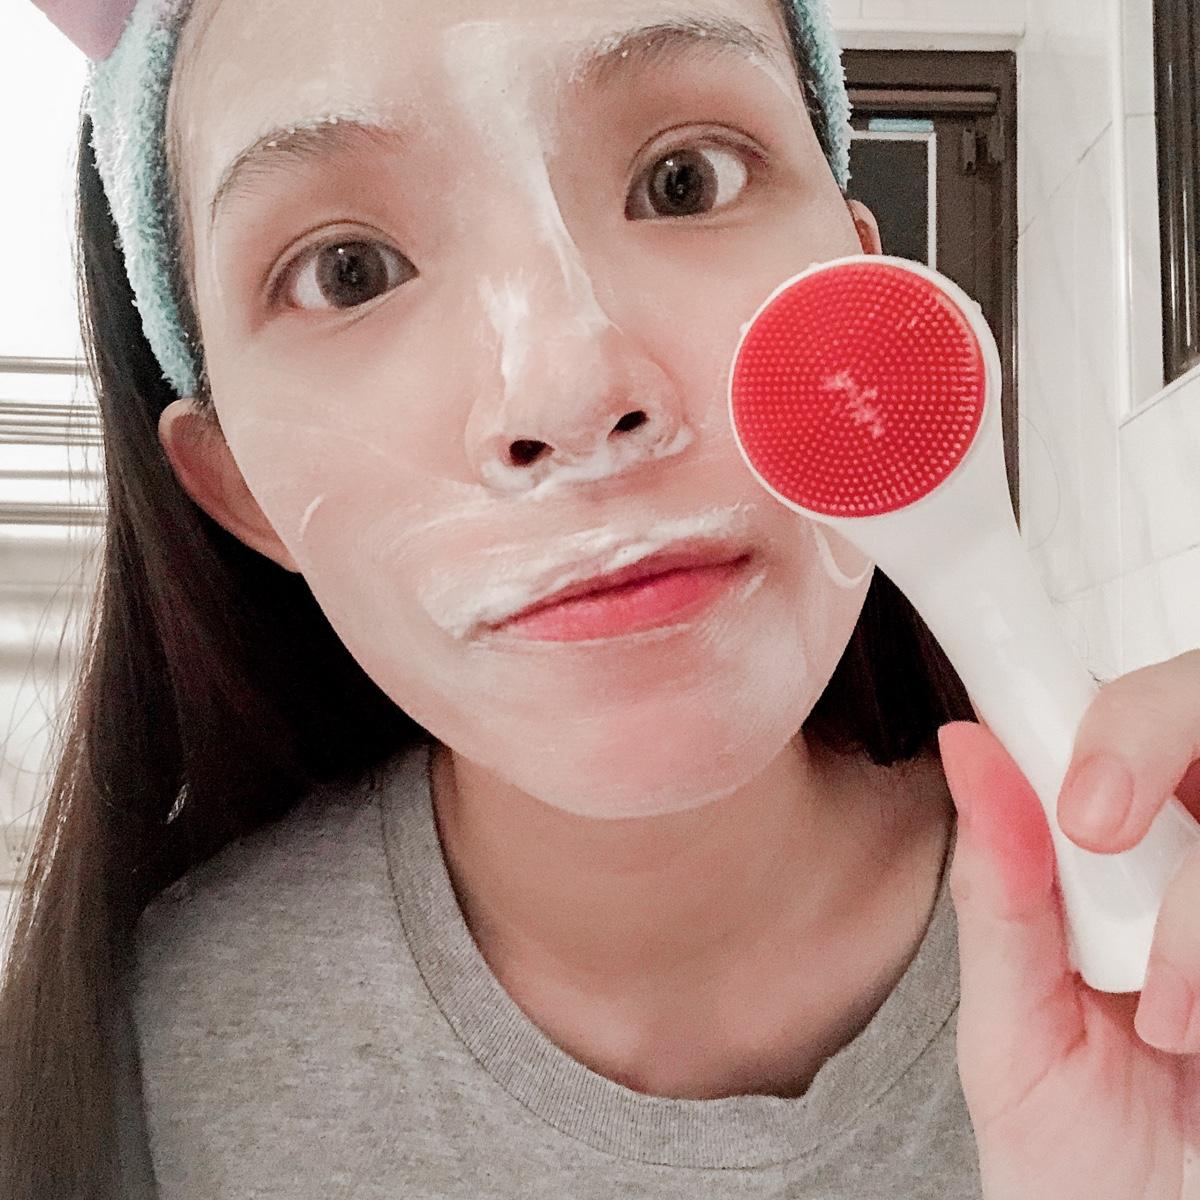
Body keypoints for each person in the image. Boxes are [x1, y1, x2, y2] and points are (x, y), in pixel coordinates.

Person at [12, 0, 1200, 1196]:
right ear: (240, 490)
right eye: (347, 273)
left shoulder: (1162, 945)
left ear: (859, 286)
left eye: (684, 182)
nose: (572, 394)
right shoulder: (145, 1073)